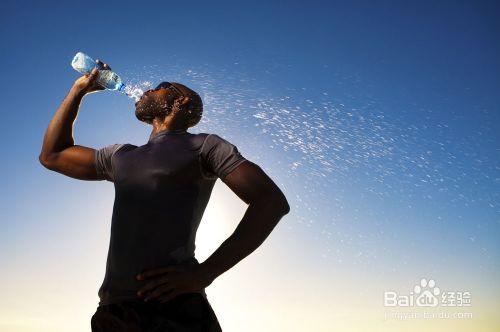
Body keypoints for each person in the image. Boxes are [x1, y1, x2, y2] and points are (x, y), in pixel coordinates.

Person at [39, 59, 290, 331]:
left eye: (160, 87)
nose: (147, 90)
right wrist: (79, 90)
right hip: (115, 311)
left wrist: (206, 272)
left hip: (176, 311)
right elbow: (53, 155)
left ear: (180, 101)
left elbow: (271, 201)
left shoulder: (204, 146)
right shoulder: (121, 155)